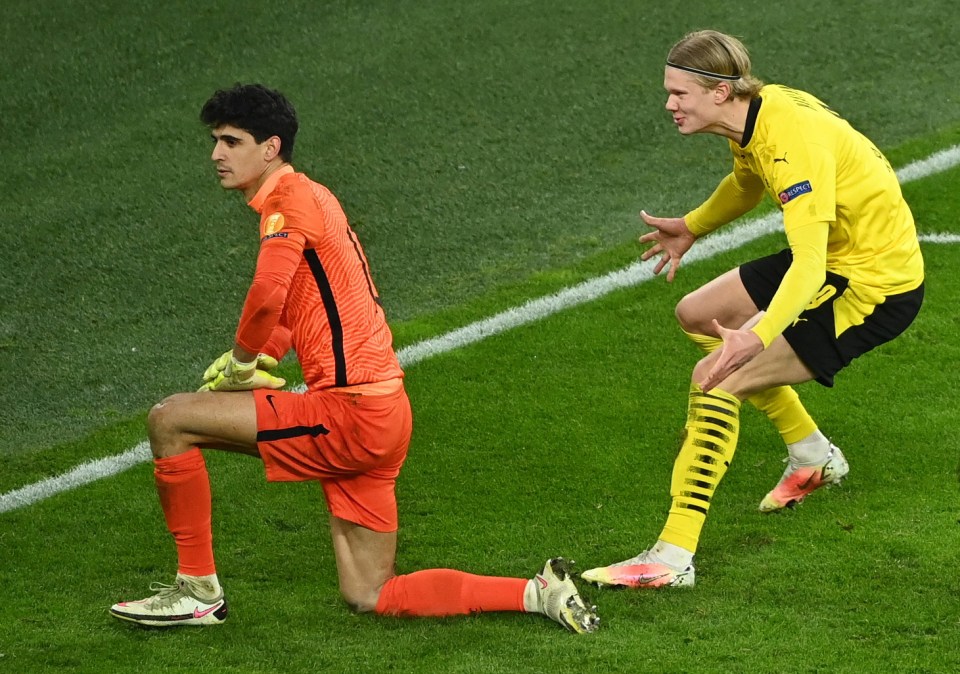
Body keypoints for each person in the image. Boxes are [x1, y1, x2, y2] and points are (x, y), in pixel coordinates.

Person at [109, 83, 599, 633]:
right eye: (215, 141)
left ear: (270, 148)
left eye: (230, 141)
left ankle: (196, 591)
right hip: (386, 415)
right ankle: (539, 594)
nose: (216, 155)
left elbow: (268, 292)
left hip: (349, 415)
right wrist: (261, 354)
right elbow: (296, 308)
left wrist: (243, 363)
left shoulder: (288, 203)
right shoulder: (315, 196)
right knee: (369, 593)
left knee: (170, 420)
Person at [582, 30, 924, 589]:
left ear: (719, 92)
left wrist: (758, 335)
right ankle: (813, 455)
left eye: (679, 94)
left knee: (715, 378)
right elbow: (745, 183)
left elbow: (809, 266)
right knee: (696, 314)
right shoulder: (755, 116)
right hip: (840, 257)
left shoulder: (791, 146)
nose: (668, 105)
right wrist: (691, 227)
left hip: (872, 285)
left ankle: (672, 559)